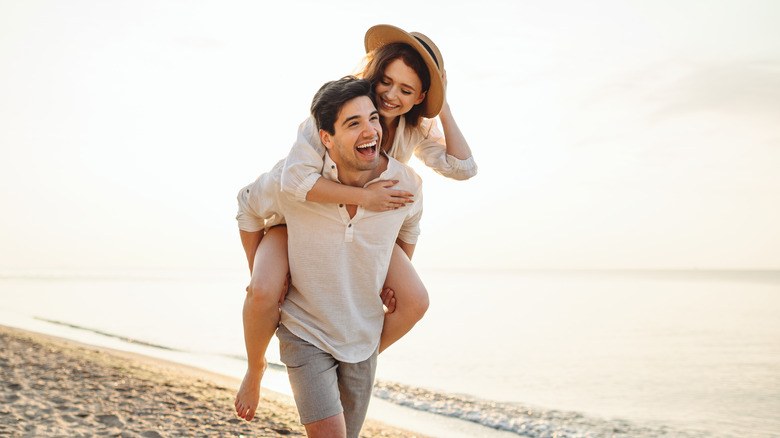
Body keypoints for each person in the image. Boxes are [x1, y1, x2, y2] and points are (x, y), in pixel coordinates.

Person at [235, 24, 477, 421]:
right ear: (375, 72)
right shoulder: (339, 109)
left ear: (421, 96)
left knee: (414, 300)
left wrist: (442, 101)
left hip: (365, 223)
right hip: (302, 212)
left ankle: (351, 354)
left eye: (407, 89)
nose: (391, 95)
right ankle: (256, 365)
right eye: (387, 81)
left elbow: (463, 168)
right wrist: (366, 197)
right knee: (262, 290)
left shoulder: (416, 126)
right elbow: (296, 181)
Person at [237, 76, 424, 437]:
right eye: (353, 123)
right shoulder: (295, 182)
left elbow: (409, 230)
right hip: (304, 330)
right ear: (326, 138)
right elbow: (246, 207)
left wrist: (389, 278)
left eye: (372, 118)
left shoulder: (406, 186)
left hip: (361, 336)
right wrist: (260, 274)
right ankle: (255, 367)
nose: (369, 130)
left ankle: (360, 352)